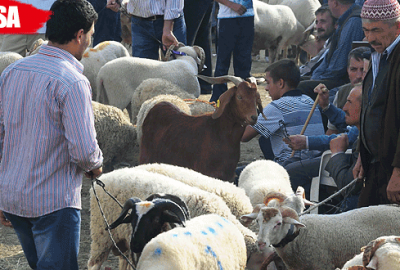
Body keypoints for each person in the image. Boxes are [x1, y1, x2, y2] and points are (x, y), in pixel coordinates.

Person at [0, 1, 103, 269]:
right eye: (91, 36)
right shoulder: (73, 82)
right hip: (52, 204)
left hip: (14, 198)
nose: (90, 42)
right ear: (80, 35)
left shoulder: (11, 72)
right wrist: (95, 166)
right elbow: (84, 151)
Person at [353, 0, 400, 207]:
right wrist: (363, 155)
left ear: (398, 26)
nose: (370, 37)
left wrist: (398, 171)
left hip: (393, 169)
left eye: (376, 30)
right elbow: (371, 109)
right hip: (375, 166)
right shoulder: (377, 56)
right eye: (366, 30)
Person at [284, 84, 362, 200]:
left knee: (289, 173)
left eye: (349, 103)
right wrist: (326, 106)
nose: (345, 107)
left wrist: (306, 142)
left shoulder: (369, 125)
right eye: (353, 69)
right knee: (289, 163)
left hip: (343, 162)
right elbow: (346, 118)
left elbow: (345, 138)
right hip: (337, 158)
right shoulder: (361, 112)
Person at [241, 59, 325, 166]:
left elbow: (244, 136)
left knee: (237, 175)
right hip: (315, 164)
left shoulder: (277, 107)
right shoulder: (309, 100)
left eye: (268, 83)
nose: (266, 88)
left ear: (280, 83)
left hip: (291, 166)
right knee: (264, 138)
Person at [298, 0, 364, 101]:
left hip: (342, 80)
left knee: (301, 87)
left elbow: (339, 65)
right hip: (333, 75)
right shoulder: (346, 20)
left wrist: (318, 78)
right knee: (292, 80)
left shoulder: (352, 22)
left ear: (335, 3)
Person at [325, 85, 363, 212]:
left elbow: (349, 186)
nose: (344, 107)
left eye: (350, 103)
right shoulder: (361, 131)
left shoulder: (369, 138)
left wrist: (337, 154)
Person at [210, 0, 254, 102]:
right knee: (223, 62)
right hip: (227, 18)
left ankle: (245, 99)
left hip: (248, 16)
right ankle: (218, 100)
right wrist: (232, 5)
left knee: (244, 62)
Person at [300, 5, 337, 77]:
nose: (318, 26)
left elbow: (310, 68)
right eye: (317, 22)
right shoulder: (327, 43)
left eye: (323, 22)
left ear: (335, 24)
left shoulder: (333, 44)